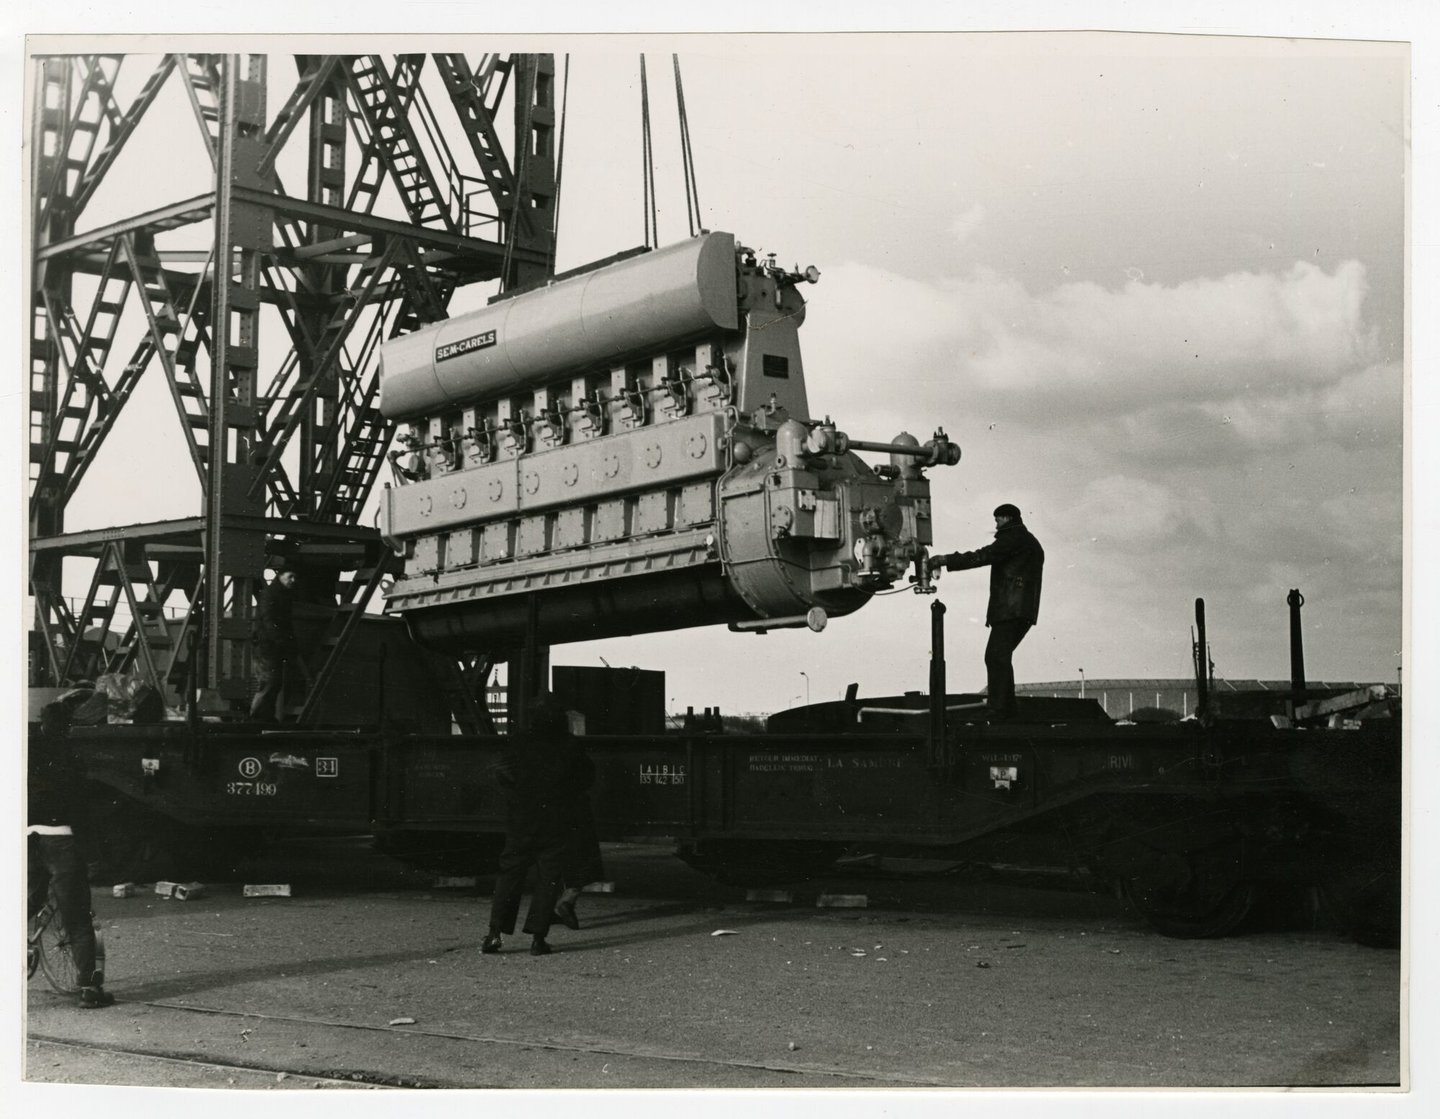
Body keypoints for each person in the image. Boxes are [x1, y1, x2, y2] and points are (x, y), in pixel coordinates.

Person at [483, 696, 595, 956]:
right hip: (556, 820)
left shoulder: (519, 742)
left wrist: (519, 794)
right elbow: (587, 778)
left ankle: (494, 935)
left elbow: (501, 772)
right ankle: (538, 939)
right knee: (548, 880)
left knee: (510, 874)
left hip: (522, 819)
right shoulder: (570, 745)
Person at [29, 705, 115, 1008]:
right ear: (68, 726)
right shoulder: (73, 757)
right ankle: (90, 991)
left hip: (26, 837)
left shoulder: (25, 749)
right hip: (61, 839)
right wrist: (93, 854)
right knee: (77, 918)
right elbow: (83, 811)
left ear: (42, 724)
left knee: (22, 904)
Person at [928, 503, 1044, 721]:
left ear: (1007, 518)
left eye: (998, 519)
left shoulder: (1013, 539)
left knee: (996, 656)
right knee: (1000, 656)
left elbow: (982, 556)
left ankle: (1000, 709)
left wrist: (945, 560)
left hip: (1011, 608)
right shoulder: (1028, 540)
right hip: (1021, 609)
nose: (996, 524)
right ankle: (1006, 708)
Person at [250, 566, 298, 722]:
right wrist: (281, 641)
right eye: (290, 576)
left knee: (274, 683)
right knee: (269, 683)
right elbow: (268, 621)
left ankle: (265, 717)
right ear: (280, 576)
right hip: (268, 647)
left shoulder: (279, 594)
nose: (293, 580)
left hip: (274, 646)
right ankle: (257, 717)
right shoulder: (271, 595)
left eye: (294, 577)